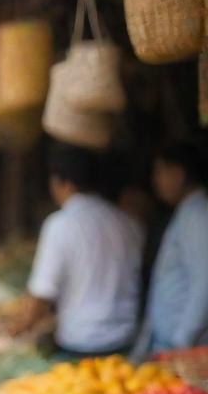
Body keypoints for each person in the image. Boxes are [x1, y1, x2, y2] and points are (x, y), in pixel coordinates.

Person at [12, 142, 144, 358]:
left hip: (81, 344)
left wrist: (20, 327)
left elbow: (43, 293)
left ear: (61, 183)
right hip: (126, 340)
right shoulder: (129, 223)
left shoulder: (60, 225)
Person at [134, 142, 208, 356]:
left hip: (184, 347)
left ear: (178, 173)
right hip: (173, 344)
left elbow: (204, 282)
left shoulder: (198, 217)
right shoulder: (188, 212)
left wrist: (182, 342)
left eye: (159, 171)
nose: (156, 180)